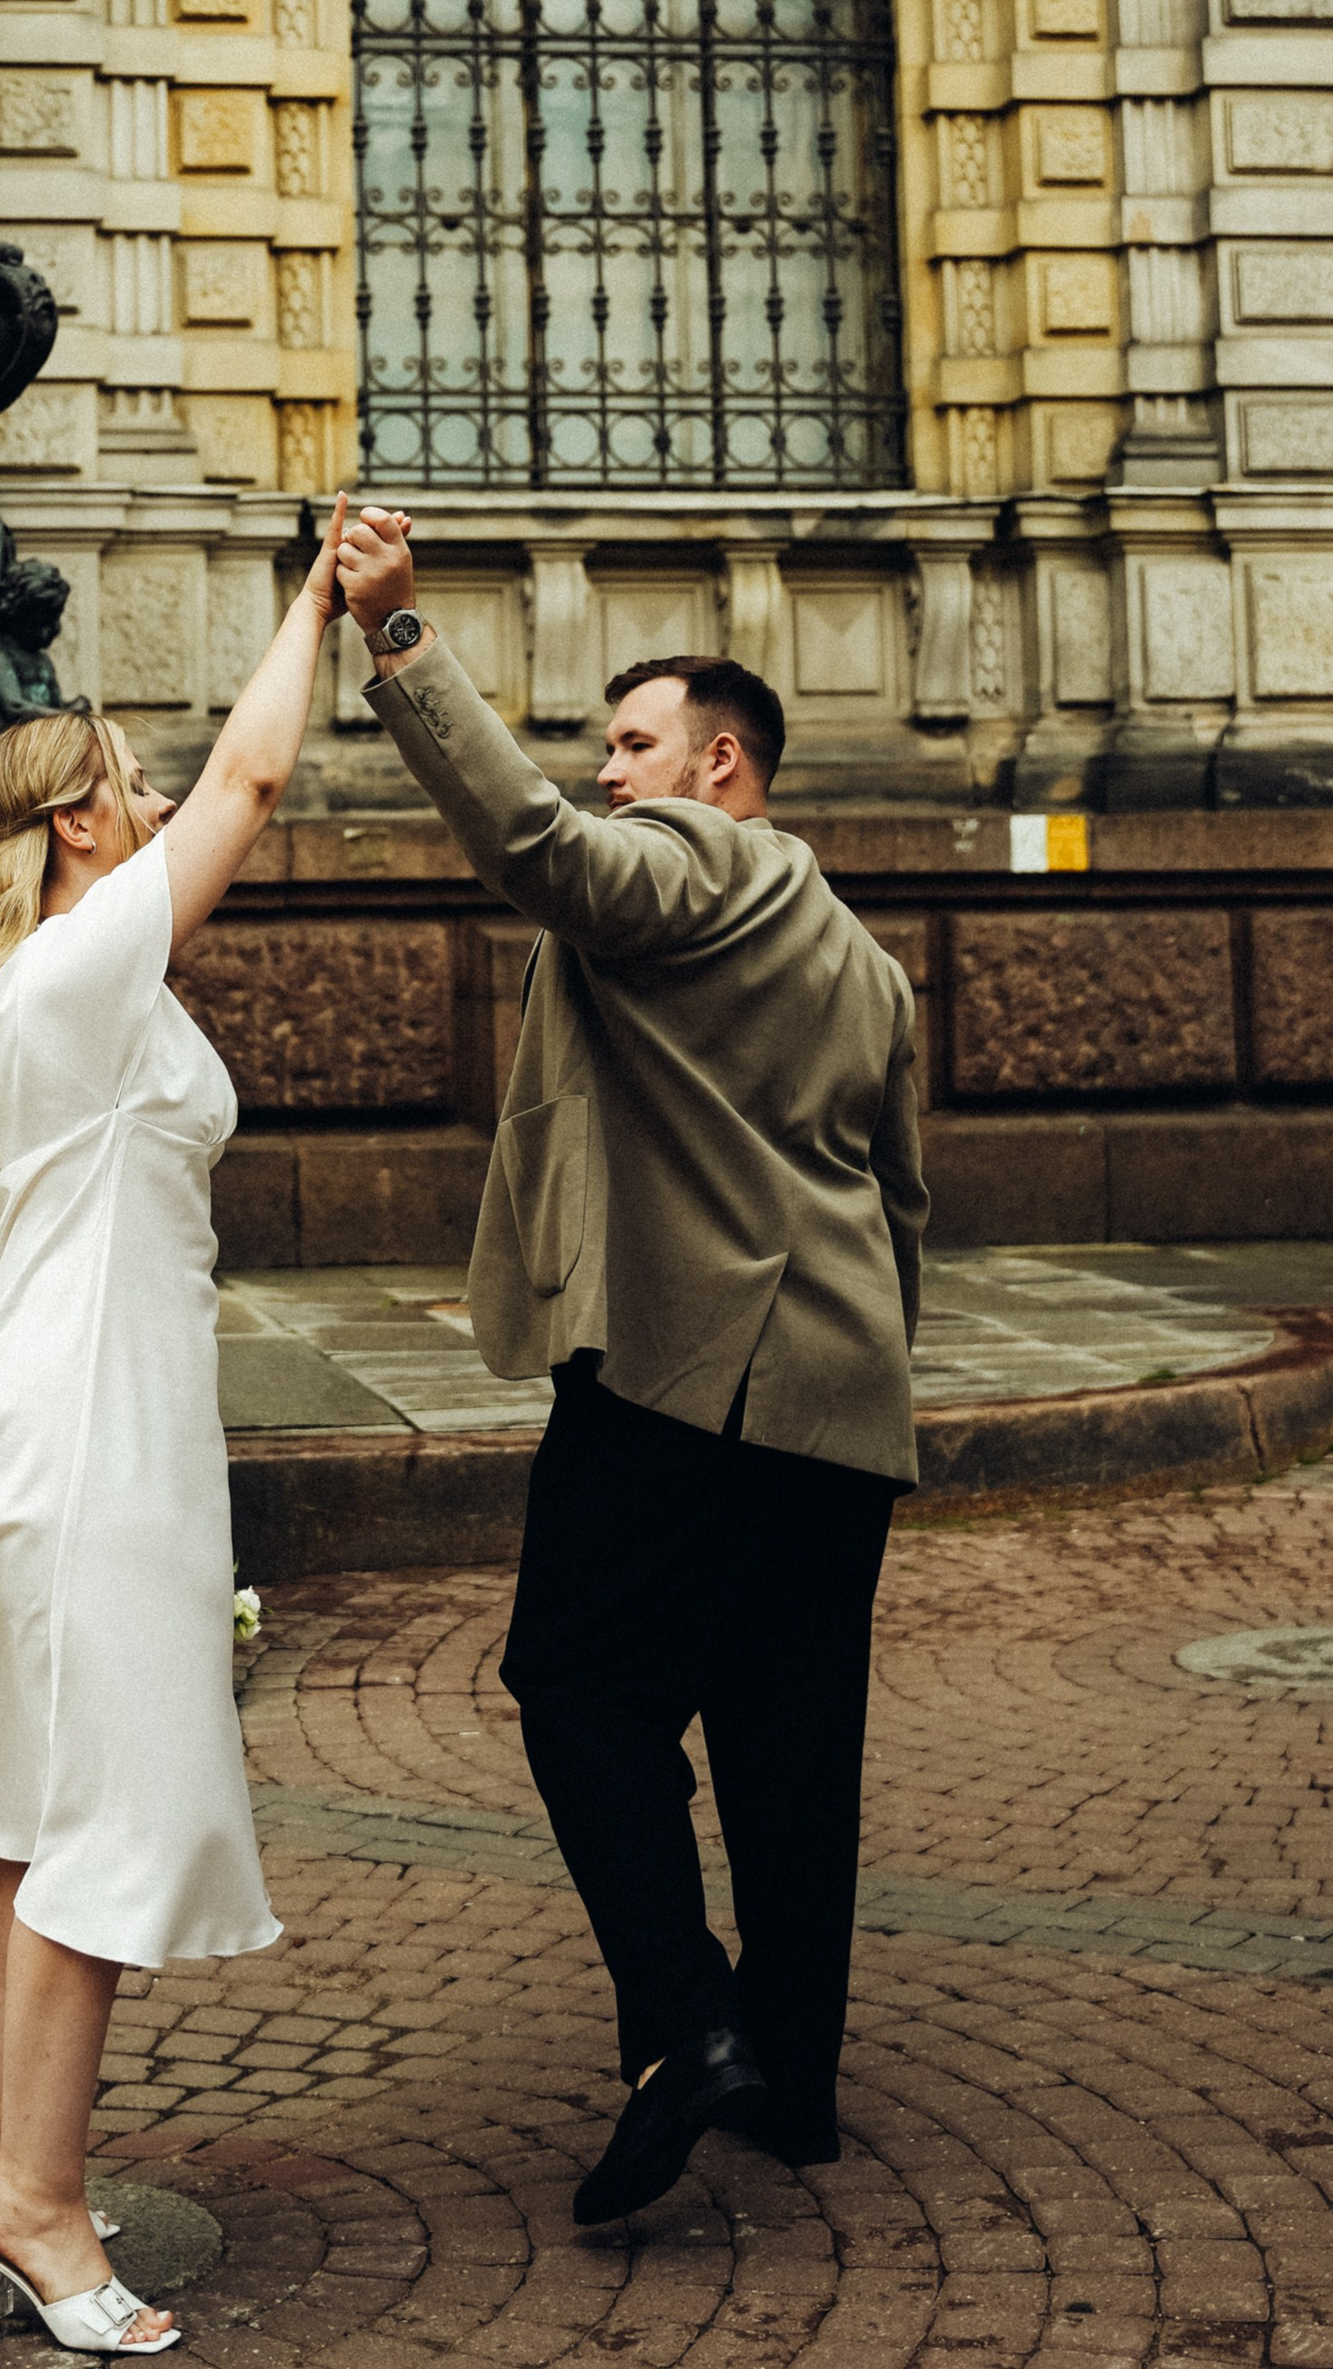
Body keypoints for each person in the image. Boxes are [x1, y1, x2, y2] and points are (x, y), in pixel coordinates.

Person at [0, 502, 350, 2356]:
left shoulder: (61, 978)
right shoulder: (90, 963)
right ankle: (37, 2204)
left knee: (48, 1807)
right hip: (98, 1435)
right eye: (135, 780)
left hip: (77, 1415)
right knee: (101, 1811)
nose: (167, 795)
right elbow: (260, 776)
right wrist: (323, 597)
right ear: (84, 820)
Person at [333, 502, 926, 2217]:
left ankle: (689, 2024)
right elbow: (903, 1200)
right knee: (790, 1745)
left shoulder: (694, 863)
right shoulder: (870, 964)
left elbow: (538, 847)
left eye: (635, 740)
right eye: (609, 744)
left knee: (577, 1685)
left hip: (682, 1377)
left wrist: (400, 639)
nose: (611, 769)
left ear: (722, 761)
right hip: (838, 1398)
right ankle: (794, 2085)